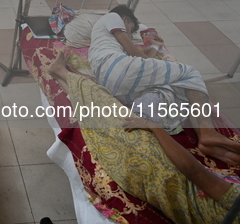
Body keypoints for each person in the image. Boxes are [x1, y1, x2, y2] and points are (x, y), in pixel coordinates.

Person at [47, 52, 240, 224]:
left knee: (104, 101)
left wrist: (153, 126)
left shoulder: (236, 203)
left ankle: (62, 73)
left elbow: (193, 171)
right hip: (148, 185)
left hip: (155, 168)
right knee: (95, 113)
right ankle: (62, 75)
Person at [88, 5, 240, 166]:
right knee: (190, 73)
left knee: (173, 87)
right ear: (125, 20)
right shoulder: (112, 17)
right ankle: (208, 130)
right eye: (131, 29)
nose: (131, 35)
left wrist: (154, 46)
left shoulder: (102, 44)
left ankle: (204, 138)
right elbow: (134, 53)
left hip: (114, 85)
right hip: (119, 68)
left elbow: (141, 63)